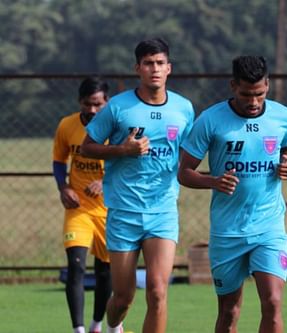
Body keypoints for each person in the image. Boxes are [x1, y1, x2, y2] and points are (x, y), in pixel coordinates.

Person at [80, 38, 194, 333]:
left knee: (157, 292)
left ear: (169, 68)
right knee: (123, 297)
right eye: (148, 63)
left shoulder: (184, 109)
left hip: (163, 211)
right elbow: (87, 147)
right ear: (137, 68)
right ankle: (111, 325)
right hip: (124, 212)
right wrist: (122, 150)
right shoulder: (118, 107)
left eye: (159, 63)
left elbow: (189, 153)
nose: (154, 69)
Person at [178, 55, 287, 333]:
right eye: (246, 94)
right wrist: (213, 181)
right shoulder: (210, 120)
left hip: (269, 227)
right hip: (227, 232)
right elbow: (184, 172)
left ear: (267, 85)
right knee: (229, 311)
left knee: (272, 301)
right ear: (233, 86)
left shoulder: (283, 116)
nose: (253, 101)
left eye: (259, 93)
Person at [52, 76, 112, 333]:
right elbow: (58, 161)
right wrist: (63, 187)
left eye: (97, 104)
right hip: (78, 209)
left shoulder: (116, 127)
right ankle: (78, 329)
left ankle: (98, 324)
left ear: (106, 103)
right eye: (87, 104)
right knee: (76, 266)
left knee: (105, 272)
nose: (92, 110)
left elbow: (128, 163)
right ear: (80, 101)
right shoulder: (67, 125)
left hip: (109, 210)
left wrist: (103, 181)